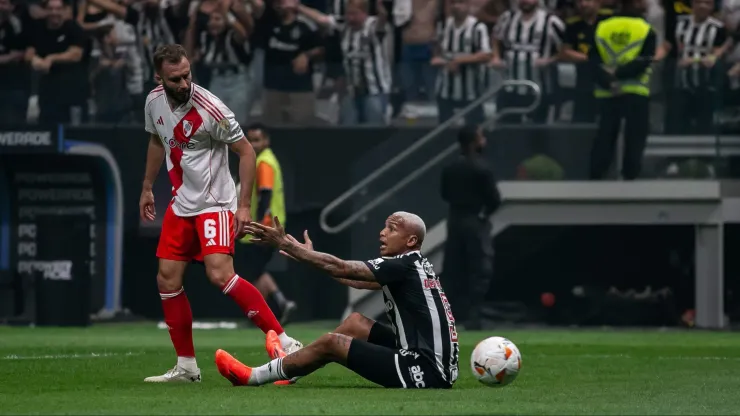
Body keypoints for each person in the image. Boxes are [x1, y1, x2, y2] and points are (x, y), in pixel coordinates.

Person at [139, 44, 301, 383]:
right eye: (175, 79)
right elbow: (157, 141)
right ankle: (186, 366)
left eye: (187, 75)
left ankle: (286, 340)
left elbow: (245, 153)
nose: (184, 84)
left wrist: (243, 205)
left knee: (220, 275)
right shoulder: (154, 101)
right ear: (159, 78)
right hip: (181, 203)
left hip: (215, 202)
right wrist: (146, 186)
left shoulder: (212, 109)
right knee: (166, 279)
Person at [215, 212, 460, 389]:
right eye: (385, 226)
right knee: (355, 323)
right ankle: (289, 369)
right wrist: (308, 257)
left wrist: (287, 245)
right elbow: (352, 279)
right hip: (431, 362)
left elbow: (341, 267)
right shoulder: (412, 266)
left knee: (332, 343)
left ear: (411, 241)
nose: (382, 232)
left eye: (392, 229)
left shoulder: (403, 265)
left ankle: (253, 376)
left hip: (424, 370)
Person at [235, 123, 297, 325]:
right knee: (256, 271)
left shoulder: (263, 162)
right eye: (250, 139)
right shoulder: (262, 160)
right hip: (267, 226)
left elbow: (266, 194)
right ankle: (280, 303)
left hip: (264, 227)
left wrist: (260, 226)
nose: (253, 144)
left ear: (266, 141)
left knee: (251, 271)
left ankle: (259, 314)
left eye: (257, 140)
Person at [440, 125, 500, 330]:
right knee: (479, 268)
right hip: (475, 220)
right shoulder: (482, 168)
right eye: (481, 137)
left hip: (455, 220)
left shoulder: (450, 168)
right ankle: (474, 316)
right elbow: (494, 199)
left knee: (453, 268)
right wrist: (484, 213)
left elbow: (445, 194)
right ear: (475, 141)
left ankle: (449, 316)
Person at [588, 0, 656, 180]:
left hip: (606, 92)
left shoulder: (602, 26)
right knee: (635, 138)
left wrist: (609, 80)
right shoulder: (645, 28)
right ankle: (630, 178)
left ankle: (596, 177)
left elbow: (593, 61)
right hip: (635, 91)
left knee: (604, 136)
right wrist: (620, 73)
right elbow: (644, 61)